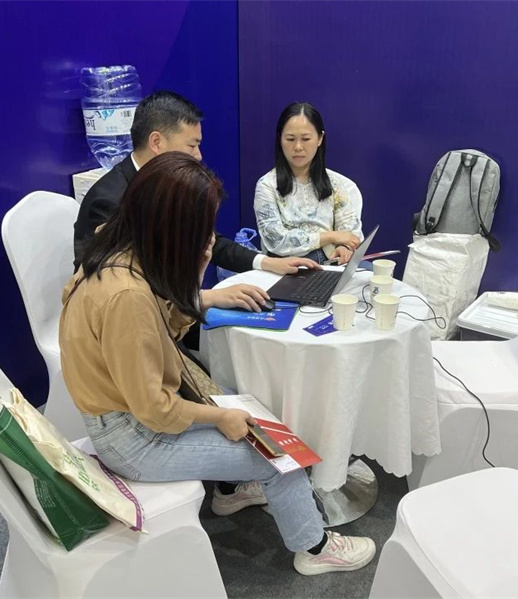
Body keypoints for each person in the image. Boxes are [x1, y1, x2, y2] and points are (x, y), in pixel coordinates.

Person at [59, 152, 376, 575]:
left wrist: (200, 266)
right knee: (278, 455)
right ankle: (315, 548)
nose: (208, 236)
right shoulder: (126, 297)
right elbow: (154, 409)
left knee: (248, 409)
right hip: (132, 438)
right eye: (202, 229)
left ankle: (229, 490)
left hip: (127, 414)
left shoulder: (118, 248)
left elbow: (163, 329)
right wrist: (220, 417)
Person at [74, 90, 319, 312]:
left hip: (175, 305)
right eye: (192, 145)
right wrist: (207, 297)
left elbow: (208, 239)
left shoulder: (169, 186)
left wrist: (267, 262)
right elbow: (123, 293)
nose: (198, 156)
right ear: (157, 142)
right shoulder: (109, 201)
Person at [254, 102, 364, 265]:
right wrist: (331, 237)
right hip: (287, 266)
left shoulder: (337, 183)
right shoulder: (267, 185)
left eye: (306, 139)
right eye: (290, 139)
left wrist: (344, 248)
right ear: (280, 139)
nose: (298, 147)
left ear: (320, 139)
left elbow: (350, 234)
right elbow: (275, 239)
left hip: (330, 263)